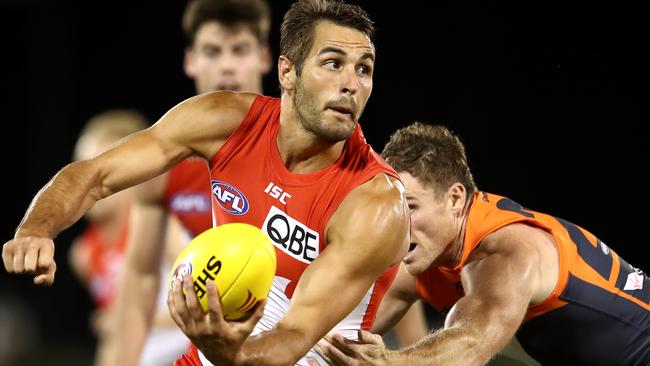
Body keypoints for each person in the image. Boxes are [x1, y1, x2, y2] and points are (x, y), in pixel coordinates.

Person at [1, 1, 411, 366]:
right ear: (287, 72)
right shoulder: (224, 122)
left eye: (364, 69)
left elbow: (292, 341)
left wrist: (222, 349)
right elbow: (96, 174)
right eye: (333, 63)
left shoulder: (373, 202)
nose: (351, 84)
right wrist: (37, 227)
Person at [316, 122, 650, 366]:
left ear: (455, 200)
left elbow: (469, 346)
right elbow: (331, 334)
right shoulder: (425, 250)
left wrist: (388, 362)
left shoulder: (506, 253)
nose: (396, 221)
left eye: (411, 207)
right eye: (391, 206)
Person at [106, 0, 273, 365]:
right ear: (190, 60)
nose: (226, 65)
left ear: (264, 58)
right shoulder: (165, 163)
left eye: (239, 50)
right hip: (210, 336)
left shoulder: (303, 144)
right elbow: (140, 279)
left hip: (296, 331)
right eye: (212, 52)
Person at [67, 109, 150, 366]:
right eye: (79, 169)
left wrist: (119, 319)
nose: (84, 183)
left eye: (98, 169)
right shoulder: (83, 254)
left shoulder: (160, 225)